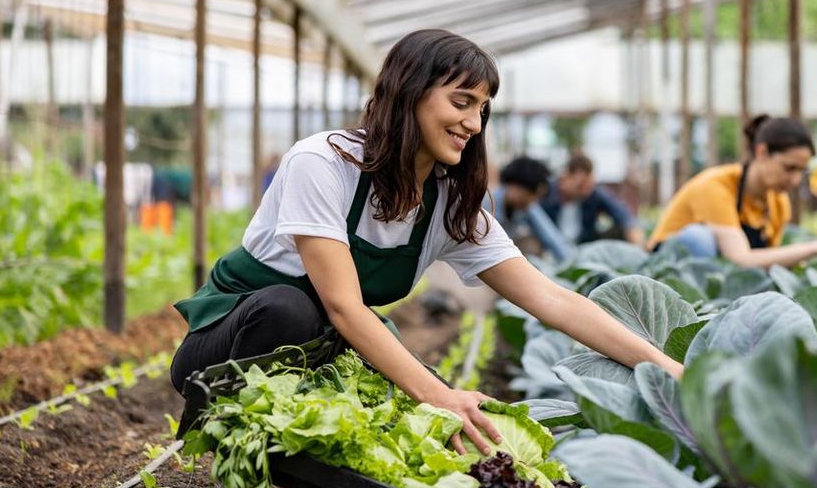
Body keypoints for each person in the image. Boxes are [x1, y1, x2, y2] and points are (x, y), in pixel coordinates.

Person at [169, 30, 682, 457]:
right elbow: (345, 308)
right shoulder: (322, 163)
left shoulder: (448, 203)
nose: (473, 124)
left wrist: (671, 370)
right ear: (409, 91)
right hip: (226, 349)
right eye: (461, 103)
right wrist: (440, 395)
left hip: (321, 357)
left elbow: (551, 300)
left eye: (482, 109)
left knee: (419, 416)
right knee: (291, 309)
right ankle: (233, 444)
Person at [648, 114, 817, 266]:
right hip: (665, 275)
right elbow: (741, 259)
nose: (794, 180)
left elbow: (767, 263)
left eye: (801, 171)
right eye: (789, 168)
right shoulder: (714, 186)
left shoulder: (778, 203)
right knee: (698, 238)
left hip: (717, 280)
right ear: (762, 152)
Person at [539, 154, 646, 247]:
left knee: (623, 230)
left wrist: (639, 246)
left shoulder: (593, 194)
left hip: (584, 249)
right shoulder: (545, 192)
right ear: (565, 176)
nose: (585, 191)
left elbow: (625, 217)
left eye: (588, 186)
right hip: (548, 249)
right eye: (580, 185)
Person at [488, 156, 574, 262]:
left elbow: (551, 236)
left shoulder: (525, 207)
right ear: (515, 185)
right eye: (533, 195)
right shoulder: (484, 206)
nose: (533, 201)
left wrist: (571, 264)